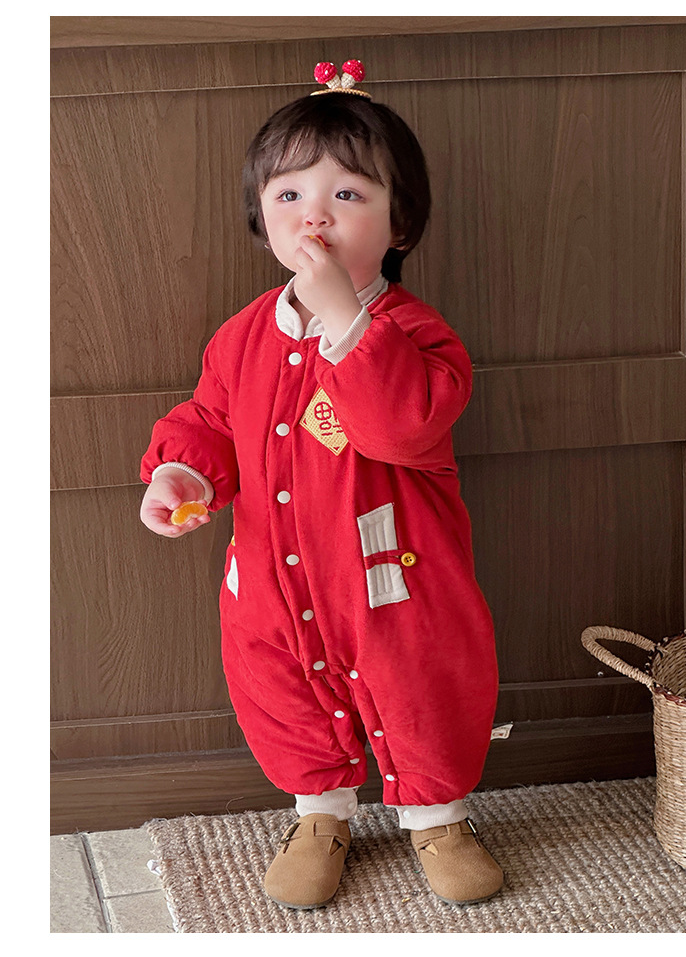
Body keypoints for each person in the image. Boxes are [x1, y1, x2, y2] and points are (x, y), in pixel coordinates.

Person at [139, 60, 503, 911]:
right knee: (282, 687)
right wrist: (181, 473)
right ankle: (319, 813)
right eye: (290, 193)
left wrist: (344, 312)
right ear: (261, 217)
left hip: (390, 578)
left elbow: (400, 424)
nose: (315, 214)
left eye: (347, 194)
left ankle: (438, 817)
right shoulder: (240, 338)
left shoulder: (420, 334)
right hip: (275, 574)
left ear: (398, 222)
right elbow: (211, 419)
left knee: (420, 687)